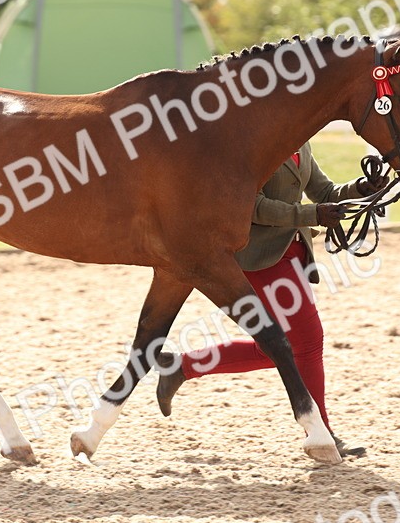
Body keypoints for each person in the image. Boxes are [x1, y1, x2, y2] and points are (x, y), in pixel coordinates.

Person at [156, 141, 384, 457]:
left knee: (278, 348)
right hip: (260, 256)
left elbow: (326, 192)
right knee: (307, 341)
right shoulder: (254, 142)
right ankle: (322, 434)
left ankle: (182, 366)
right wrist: (311, 214)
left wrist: (361, 187)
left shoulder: (299, 141)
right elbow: (252, 205)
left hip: (292, 253)